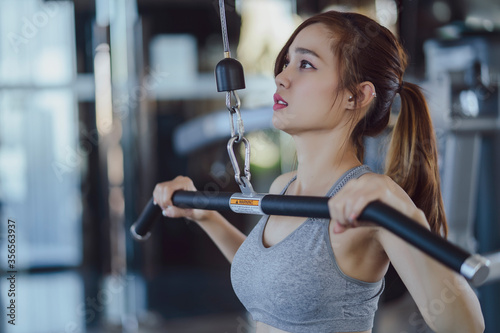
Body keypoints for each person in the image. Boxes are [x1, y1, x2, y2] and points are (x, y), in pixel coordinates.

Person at [152, 10, 484, 333]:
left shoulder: (370, 200)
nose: (281, 77)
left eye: (306, 64)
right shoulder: (286, 186)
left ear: (356, 95)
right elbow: (274, 277)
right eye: (286, 62)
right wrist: (205, 216)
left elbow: (466, 326)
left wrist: (396, 205)